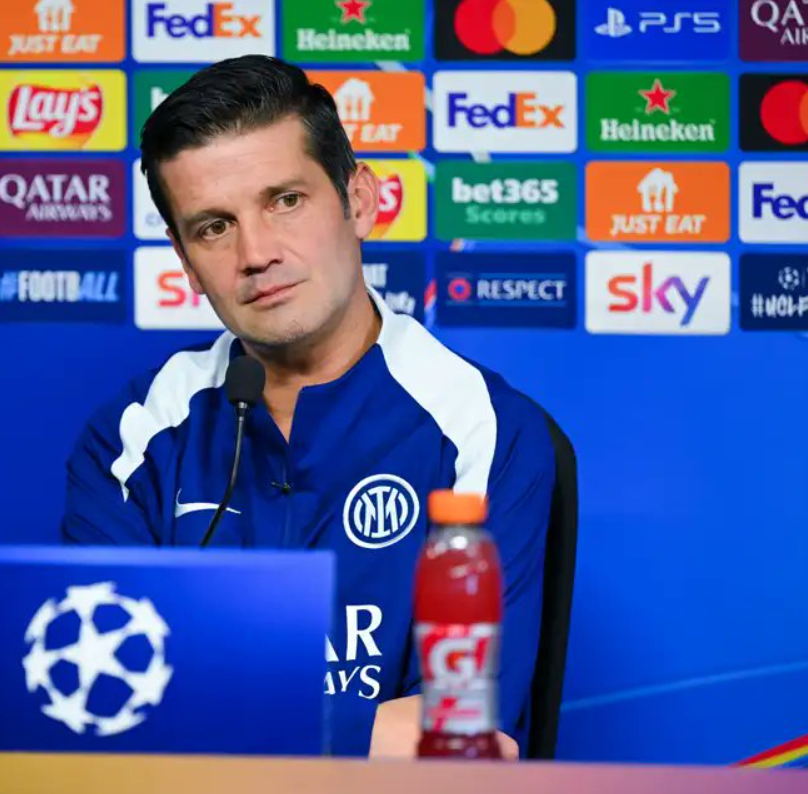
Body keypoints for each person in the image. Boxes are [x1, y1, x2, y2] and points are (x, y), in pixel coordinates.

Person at [60, 55, 555, 760]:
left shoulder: (483, 426)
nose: (256, 252)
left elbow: (465, 741)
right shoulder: (134, 433)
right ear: (184, 259)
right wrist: (349, 730)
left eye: (284, 201)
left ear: (360, 200)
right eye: (213, 227)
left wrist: (206, 710)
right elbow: (103, 712)